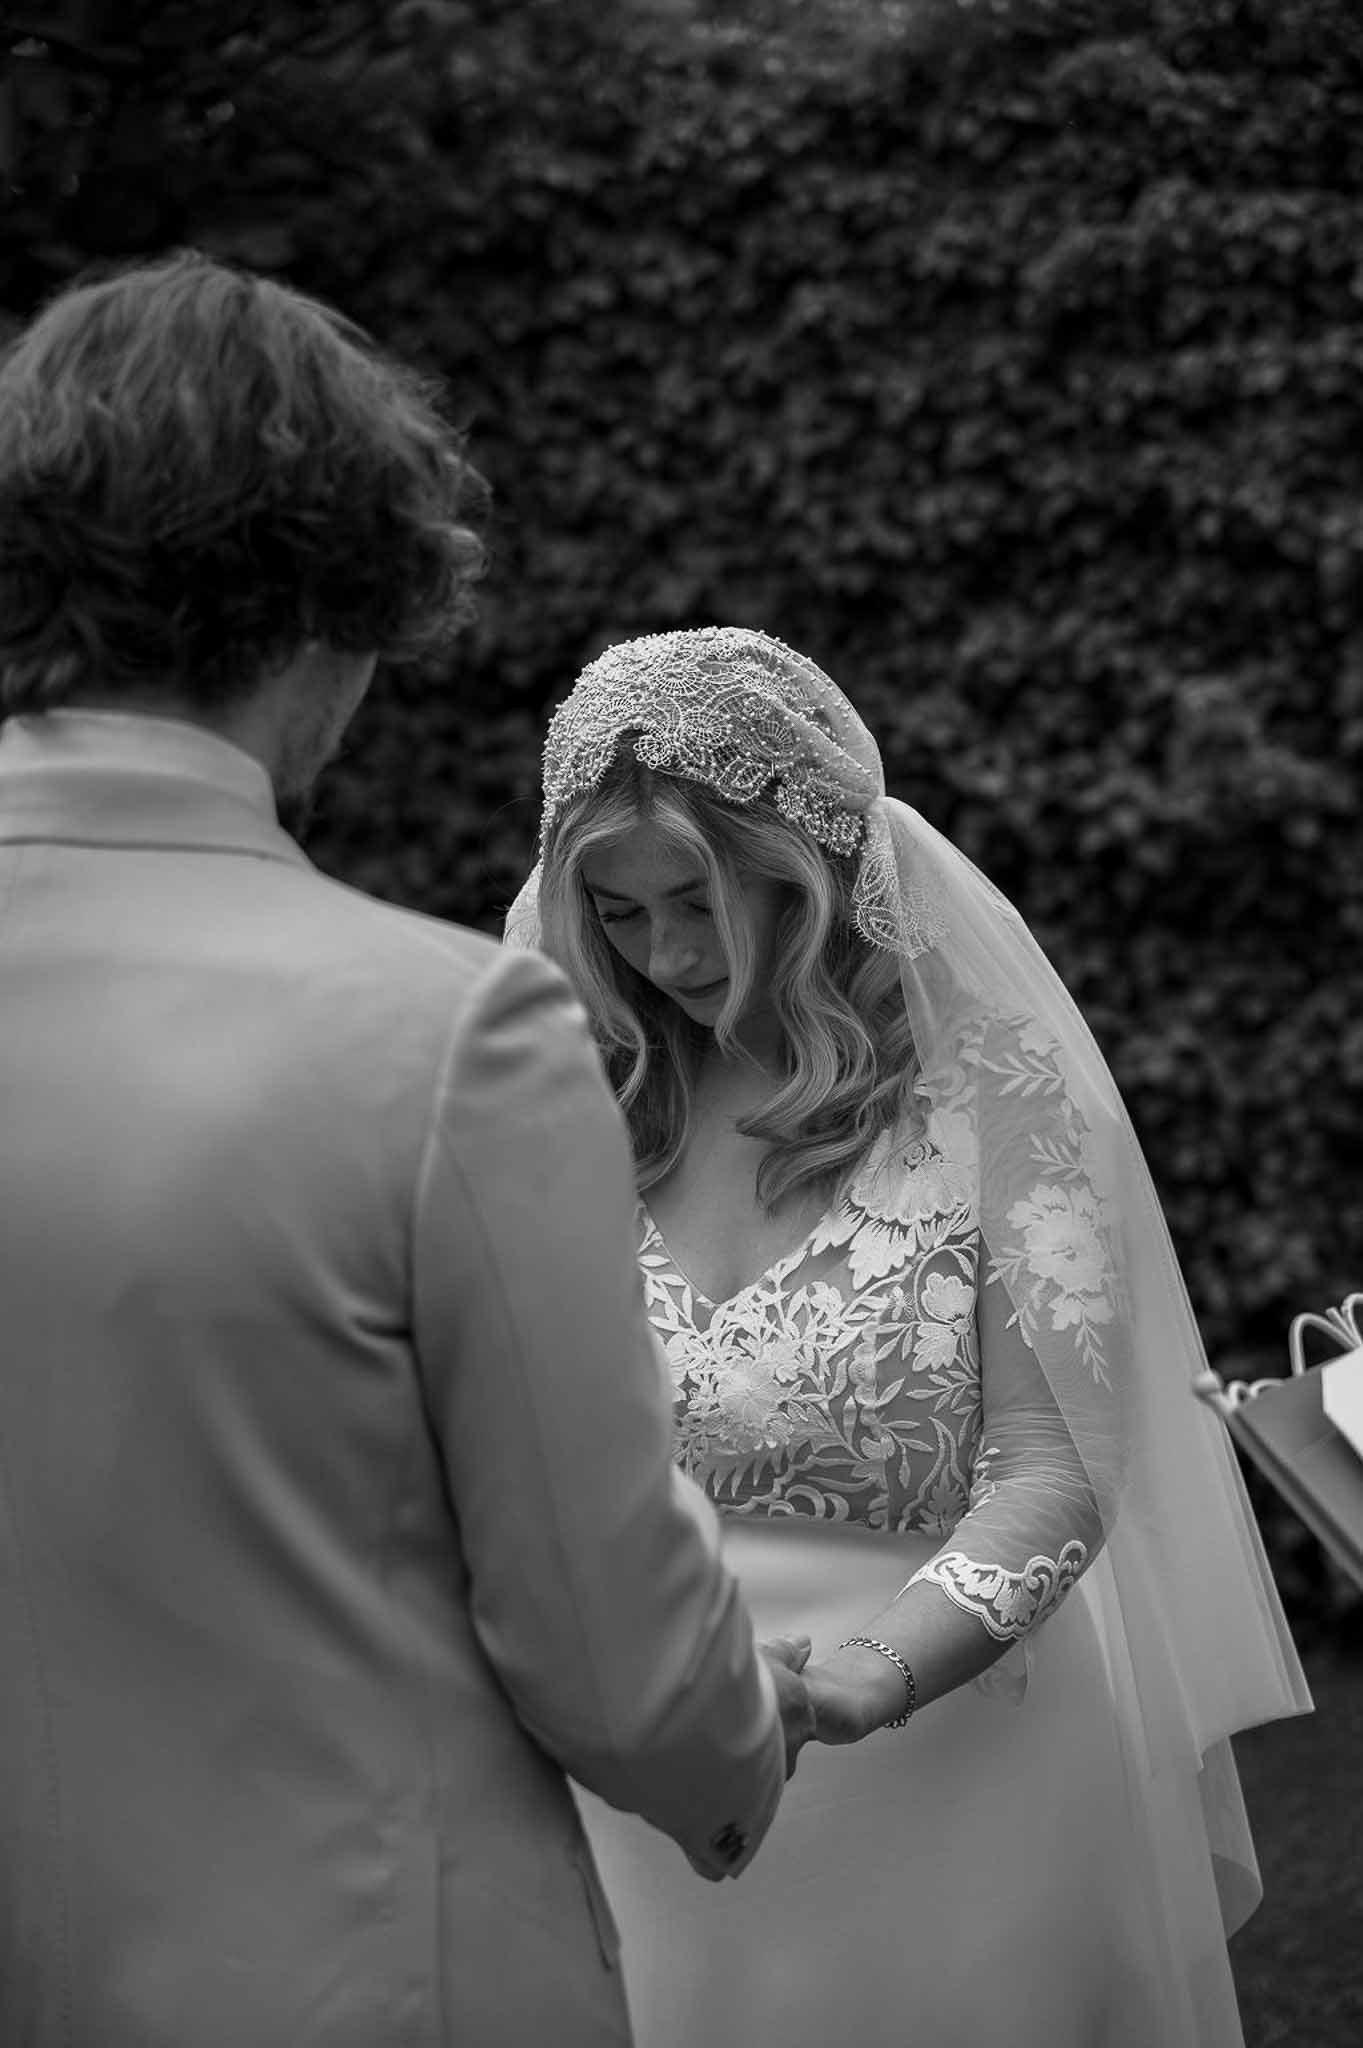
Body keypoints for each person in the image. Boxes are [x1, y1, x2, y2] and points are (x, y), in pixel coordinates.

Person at [0, 256, 814, 2048]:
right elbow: (607, 1648)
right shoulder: (451, 1038)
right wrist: (735, 1757)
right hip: (348, 1979)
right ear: (332, 612)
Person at [505, 623, 1315, 2048]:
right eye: (617, 914)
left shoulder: (998, 1094)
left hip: (946, 1761)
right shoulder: (584, 1105)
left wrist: (861, 1685)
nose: (665, 954)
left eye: (696, 898)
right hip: (641, 1774)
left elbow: (1058, 1467)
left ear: (798, 870)